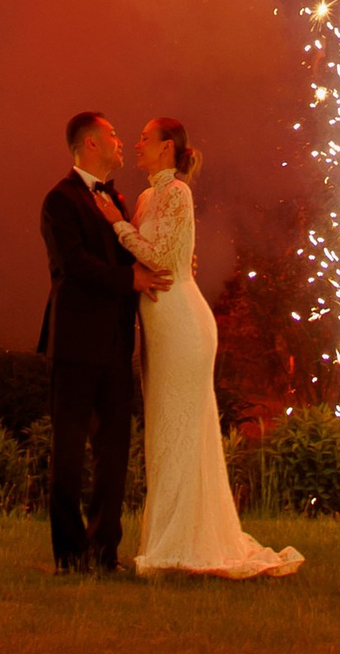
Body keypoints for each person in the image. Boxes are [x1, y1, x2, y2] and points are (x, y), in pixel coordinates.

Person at [128, 114, 302, 580]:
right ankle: (170, 539)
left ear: (168, 147)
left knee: (182, 427)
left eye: (145, 138)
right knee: (165, 430)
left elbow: (162, 258)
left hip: (181, 322)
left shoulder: (177, 193)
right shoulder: (147, 197)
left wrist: (114, 226)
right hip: (158, 323)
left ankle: (181, 545)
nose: (137, 144)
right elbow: (157, 250)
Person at [39, 111, 160, 575]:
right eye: (112, 134)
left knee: (114, 452)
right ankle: (69, 555)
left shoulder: (117, 199)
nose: (120, 141)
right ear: (90, 144)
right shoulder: (60, 200)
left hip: (113, 344)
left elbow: (133, 249)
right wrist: (129, 278)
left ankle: (104, 549)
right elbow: (72, 265)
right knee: (68, 454)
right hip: (74, 344)